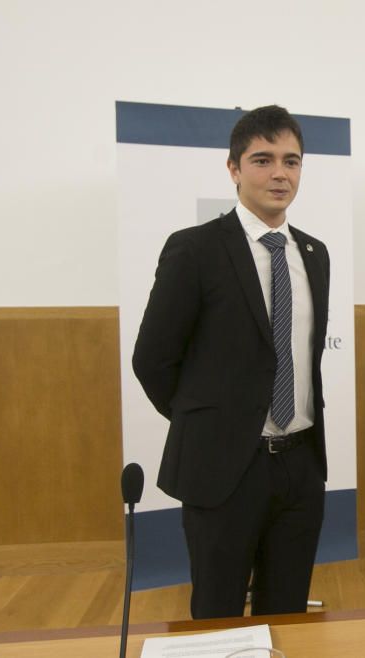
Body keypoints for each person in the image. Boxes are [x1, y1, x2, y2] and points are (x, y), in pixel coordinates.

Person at [133, 105, 330, 618]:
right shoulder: (195, 249)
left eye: (292, 160)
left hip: (300, 465)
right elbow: (152, 359)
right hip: (224, 469)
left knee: (287, 614)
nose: (280, 173)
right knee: (218, 614)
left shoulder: (314, 253)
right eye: (263, 160)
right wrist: (207, 424)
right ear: (234, 168)